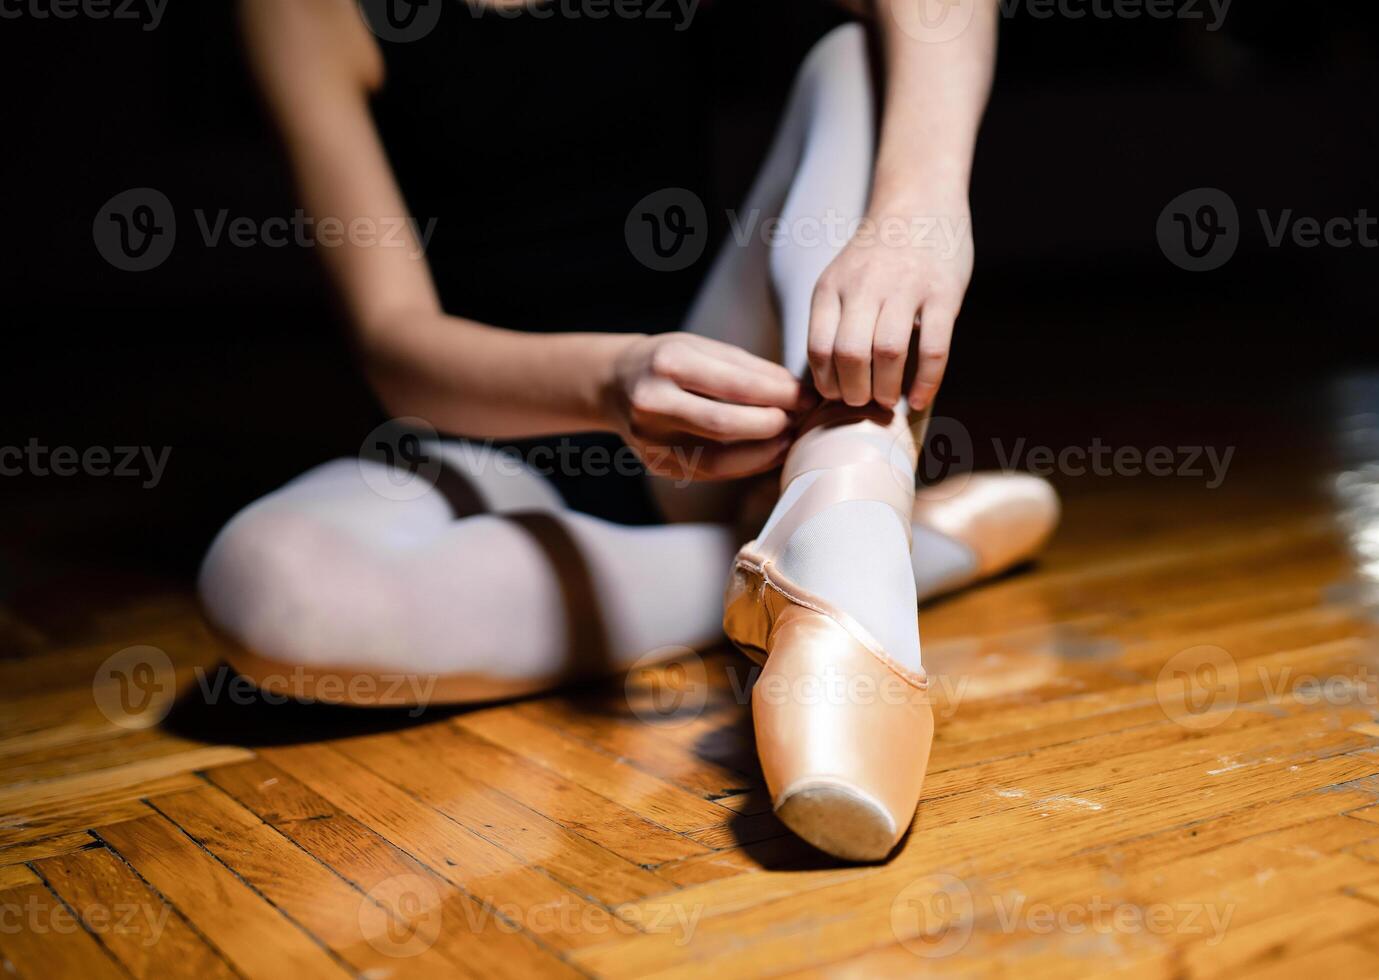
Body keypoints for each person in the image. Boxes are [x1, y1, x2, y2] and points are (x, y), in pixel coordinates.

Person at [200, 0, 1057, 861]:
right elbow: (394, 341)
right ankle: (864, 556)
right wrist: (612, 381)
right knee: (273, 588)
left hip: (727, 394)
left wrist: (922, 217)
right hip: (489, 436)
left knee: (854, 57)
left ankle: (846, 497)